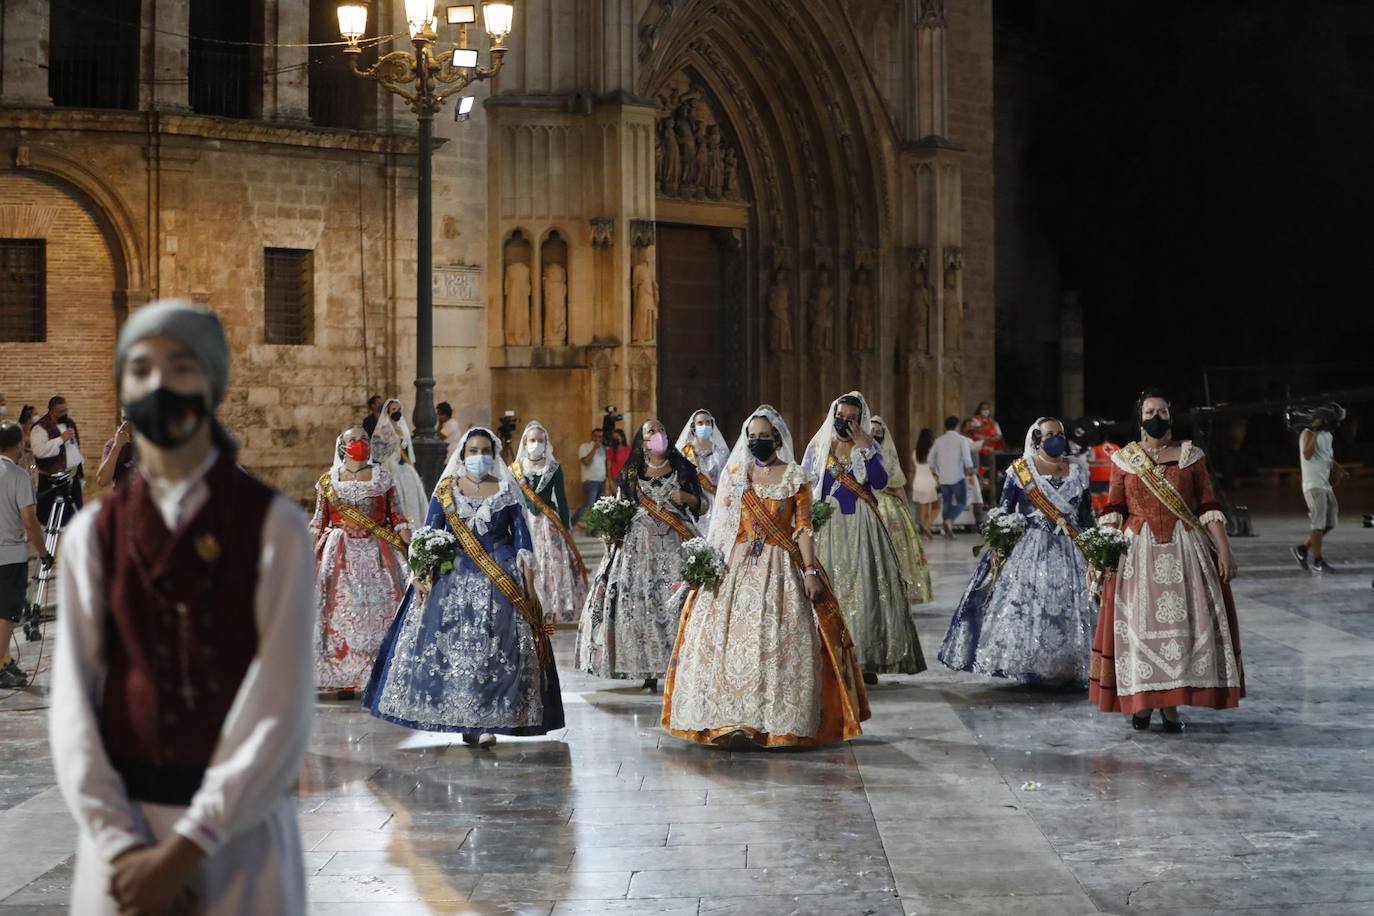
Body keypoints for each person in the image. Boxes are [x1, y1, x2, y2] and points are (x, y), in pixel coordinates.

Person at [50, 300, 315, 914]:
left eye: (183, 366)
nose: (160, 384)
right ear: (122, 385)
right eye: (140, 368)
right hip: (121, 846)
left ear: (214, 381)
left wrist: (186, 849)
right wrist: (122, 849)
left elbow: (280, 703)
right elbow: (73, 702)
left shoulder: (274, 527)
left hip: (239, 848)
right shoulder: (94, 534)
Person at [662, 405, 870, 747]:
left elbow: (803, 528)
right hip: (736, 564)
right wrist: (705, 567)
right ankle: (732, 722)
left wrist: (810, 571)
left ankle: (772, 724)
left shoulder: (794, 476)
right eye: (753, 437)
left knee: (777, 642)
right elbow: (722, 527)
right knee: (726, 642)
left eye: (764, 437)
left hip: (781, 567)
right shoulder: (736, 475)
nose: (758, 442)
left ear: (776, 439)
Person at [365, 426, 564, 747]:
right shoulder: (447, 490)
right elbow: (429, 535)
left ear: (494, 454)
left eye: (485, 451)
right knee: (451, 648)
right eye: (473, 451)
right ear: (462, 454)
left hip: (500, 575)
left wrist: (530, 589)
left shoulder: (506, 490)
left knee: (497, 646)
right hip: (451, 576)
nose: (479, 457)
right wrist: (419, 575)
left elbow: (523, 540)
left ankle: (487, 717)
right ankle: (462, 718)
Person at [1089, 388, 1243, 733]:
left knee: (1180, 630)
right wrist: (1101, 556)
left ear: (1170, 416)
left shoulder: (1190, 456)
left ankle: (1171, 706)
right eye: (1149, 412)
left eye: (1161, 412)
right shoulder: (1125, 459)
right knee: (1136, 631)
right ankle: (1142, 703)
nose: (1155, 418)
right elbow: (1114, 508)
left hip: (1185, 550)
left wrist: (1225, 548)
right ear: (1139, 417)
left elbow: (1207, 505)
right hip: (1136, 553)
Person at [939, 418, 1097, 687]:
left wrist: (1095, 549)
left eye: (1060, 434)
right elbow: (1004, 509)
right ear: (1037, 439)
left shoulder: (1078, 470)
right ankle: (1033, 665)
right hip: (1031, 549)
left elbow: (1086, 514)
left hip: (1071, 550)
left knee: (1072, 609)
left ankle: (1069, 665)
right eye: (1050, 434)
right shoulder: (1020, 471)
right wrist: (1001, 534)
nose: (1056, 438)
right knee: (1030, 607)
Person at [802, 392, 925, 684]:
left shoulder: (868, 446)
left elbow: (881, 482)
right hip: (827, 527)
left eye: (852, 418)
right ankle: (830, 655)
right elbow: (805, 486)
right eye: (841, 416)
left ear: (861, 421)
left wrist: (865, 448)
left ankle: (863, 659)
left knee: (865, 590)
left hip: (863, 526)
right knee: (830, 590)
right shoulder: (819, 448)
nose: (845, 422)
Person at [576, 418, 704, 692]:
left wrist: (688, 498)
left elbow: (702, 504)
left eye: (661, 429)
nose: (657, 434)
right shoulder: (632, 471)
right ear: (642, 441)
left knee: (676, 604)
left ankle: (681, 665)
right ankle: (647, 671)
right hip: (638, 551)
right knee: (642, 606)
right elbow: (622, 504)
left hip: (676, 546)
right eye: (651, 431)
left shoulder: (682, 468)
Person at [310, 427, 412, 696]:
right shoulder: (328, 481)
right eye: (352, 439)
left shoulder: (383, 477)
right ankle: (343, 675)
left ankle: (378, 673)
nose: (359, 443)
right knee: (340, 611)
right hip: (339, 556)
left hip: (378, 553)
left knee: (381, 611)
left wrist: (411, 542)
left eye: (364, 439)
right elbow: (319, 521)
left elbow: (397, 516)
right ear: (342, 446)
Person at [512, 421, 588, 623]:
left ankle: (554, 608)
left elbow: (561, 499)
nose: (536, 443)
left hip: (549, 523)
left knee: (552, 562)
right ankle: (529, 602)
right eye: (532, 440)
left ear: (546, 443)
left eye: (540, 440)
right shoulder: (516, 469)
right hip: (526, 522)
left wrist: (566, 528)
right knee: (529, 560)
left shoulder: (553, 468)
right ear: (525, 442)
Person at [1, 420, 51, 688]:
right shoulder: (18, 476)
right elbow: (30, 521)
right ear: (20, 444)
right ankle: (0, 666)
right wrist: (44, 553)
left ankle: (6, 660)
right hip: (10, 555)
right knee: (7, 613)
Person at [870, 416, 933, 604]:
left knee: (895, 550)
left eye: (877, 431)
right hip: (868, 504)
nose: (874, 434)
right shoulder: (861, 453)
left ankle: (895, 588)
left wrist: (906, 513)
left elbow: (897, 487)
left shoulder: (887, 455)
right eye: (871, 430)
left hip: (887, 507)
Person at [1294, 415, 1342, 573]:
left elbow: (1327, 456)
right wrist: (1315, 432)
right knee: (1318, 524)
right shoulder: (1308, 433)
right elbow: (1307, 454)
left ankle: (1302, 548)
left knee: (1331, 522)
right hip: (1313, 485)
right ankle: (1318, 561)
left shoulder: (1328, 435)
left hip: (1325, 484)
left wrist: (1337, 468)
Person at [30, 395, 85, 526]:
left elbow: (75, 447)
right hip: (52, 483)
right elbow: (39, 451)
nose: (64, 414)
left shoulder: (69, 422)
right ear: (51, 411)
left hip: (72, 478)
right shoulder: (40, 428)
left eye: (65, 410)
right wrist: (60, 439)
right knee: (53, 521)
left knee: (74, 519)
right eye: (60, 411)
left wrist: (80, 473)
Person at [371, 398, 427, 526]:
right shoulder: (383, 429)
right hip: (390, 467)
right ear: (388, 411)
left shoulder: (402, 427)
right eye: (394, 409)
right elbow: (378, 451)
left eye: (399, 409)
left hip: (404, 466)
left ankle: (414, 525)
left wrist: (409, 463)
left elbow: (407, 448)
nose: (397, 412)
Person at [675, 409, 731, 527]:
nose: (704, 426)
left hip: (718, 503)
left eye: (708, 423)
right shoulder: (685, 453)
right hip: (695, 502)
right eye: (700, 423)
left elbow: (731, 478)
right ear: (693, 427)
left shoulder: (721, 453)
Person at [929, 416, 975, 538]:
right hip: (957, 476)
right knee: (962, 502)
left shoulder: (938, 440)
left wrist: (935, 471)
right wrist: (970, 471)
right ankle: (949, 521)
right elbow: (966, 457)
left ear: (945, 426)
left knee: (947, 503)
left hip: (943, 477)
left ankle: (946, 530)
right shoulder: (961, 440)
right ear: (957, 426)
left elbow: (930, 459)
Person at [572, 427, 607, 529]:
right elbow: (586, 461)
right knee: (589, 506)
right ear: (592, 436)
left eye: (600, 436)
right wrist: (594, 448)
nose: (598, 438)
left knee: (599, 508)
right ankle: (570, 523)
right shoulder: (584, 447)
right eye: (596, 436)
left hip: (602, 481)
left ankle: (593, 530)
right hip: (590, 482)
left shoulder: (603, 448)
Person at [95, 411, 137, 489]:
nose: (126, 423)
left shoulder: (149, 443)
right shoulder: (112, 444)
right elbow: (102, 481)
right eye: (124, 419)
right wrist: (117, 446)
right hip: (123, 498)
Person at [911, 427, 940, 537]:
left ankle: (925, 530)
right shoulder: (932, 453)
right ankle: (926, 526)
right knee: (936, 507)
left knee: (924, 507)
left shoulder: (915, 453)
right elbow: (934, 469)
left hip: (918, 481)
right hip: (930, 482)